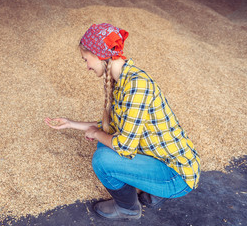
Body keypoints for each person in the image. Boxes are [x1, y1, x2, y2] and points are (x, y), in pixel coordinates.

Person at [44, 23, 200, 220]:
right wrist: (71, 123)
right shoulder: (124, 79)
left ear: (99, 54)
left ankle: (128, 208)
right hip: (162, 160)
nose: (87, 67)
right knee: (104, 143)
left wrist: (96, 133)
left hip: (177, 176)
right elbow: (115, 127)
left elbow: (125, 146)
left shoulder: (136, 86)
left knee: (103, 160)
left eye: (86, 60)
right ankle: (151, 191)